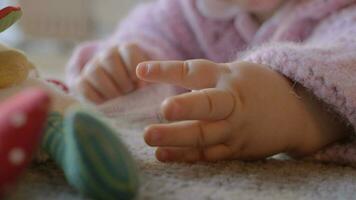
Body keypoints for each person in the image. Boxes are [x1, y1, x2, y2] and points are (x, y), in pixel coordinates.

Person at [66, 0, 356, 164]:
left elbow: (348, 58)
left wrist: (290, 107)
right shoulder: (186, 9)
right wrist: (125, 68)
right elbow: (147, 32)